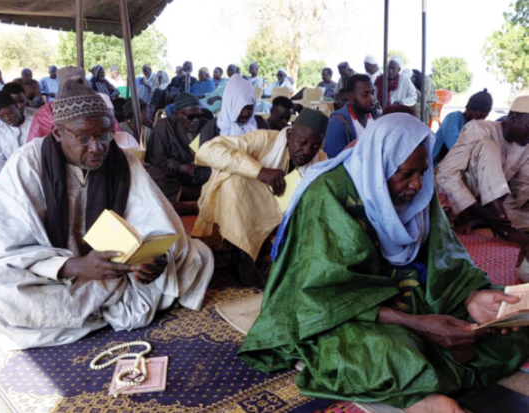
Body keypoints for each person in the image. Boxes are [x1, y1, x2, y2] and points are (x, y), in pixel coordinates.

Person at [238, 113, 529, 413]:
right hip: (345, 310)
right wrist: (418, 325)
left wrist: (472, 296)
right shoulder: (328, 194)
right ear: (379, 165)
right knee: (387, 350)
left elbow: (446, 255)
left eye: (422, 171)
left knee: (509, 323)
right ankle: (425, 400)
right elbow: (325, 295)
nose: (417, 184)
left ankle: (422, 378)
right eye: (405, 173)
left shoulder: (418, 187)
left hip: (412, 293)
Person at [0, 79, 214, 350]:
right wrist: (73, 266)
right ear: (58, 133)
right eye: (84, 138)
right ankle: (101, 312)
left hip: (114, 273)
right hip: (53, 277)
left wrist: (153, 260)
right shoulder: (27, 164)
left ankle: (81, 316)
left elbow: (155, 224)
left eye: (104, 136)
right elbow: (4, 249)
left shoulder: (123, 162)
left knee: (197, 256)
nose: (97, 147)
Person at [193, 109, 328, 286]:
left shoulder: (320, 159)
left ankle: (266, 246)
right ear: (290, 132)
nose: (307, 151)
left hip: (282, 217)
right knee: (233, 179)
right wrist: (259, 171)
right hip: (246, 210)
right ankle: (241, 253)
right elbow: (209, 149)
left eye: (314, 146)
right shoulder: (263, 139)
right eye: (302, 142)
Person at [437, 95, 529, 245]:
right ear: (514, 117)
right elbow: (446, 175)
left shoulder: (525, 146)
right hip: (463, 201)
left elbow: (522, 187)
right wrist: (481, 211)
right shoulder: (478, 129)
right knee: (488, 146)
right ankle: (501, 224)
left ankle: (488, 220)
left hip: (492, 205)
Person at [145, 93, 210, 203]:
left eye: (199, 116)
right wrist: (180, 167)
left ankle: (195, 197)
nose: (196, 120)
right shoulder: (164, 127)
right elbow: (156, 160)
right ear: (177, 113)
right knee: (151, 179)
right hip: (175, 177)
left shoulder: (207, 126)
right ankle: (199, 197)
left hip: (201, 175)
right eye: (190, 117)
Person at [28, 66, 121, 142]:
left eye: (77, 85)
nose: (74, 90)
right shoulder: (46, 112)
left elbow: (114, 135)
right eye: (70, 87)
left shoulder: (98, 105)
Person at [199, 75, 267, 145]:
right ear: (230, 105)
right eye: (241, 108)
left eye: (249, 107)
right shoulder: (212, 129)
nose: (245, 113)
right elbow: (203, 155)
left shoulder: (260, 124)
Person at [432, 89, 493, 165]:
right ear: (468, 108)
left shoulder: (476, 126)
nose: (480, 120)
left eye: (484, 117)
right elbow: (455, 148)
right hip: (436, 166)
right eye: (478, 116)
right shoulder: (453, 118)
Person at [324, 74, 377, 158]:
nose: (371, 99)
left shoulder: (377, 117)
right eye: (365, 95)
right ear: (351, 97)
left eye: (372, 93)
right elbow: (335, 162)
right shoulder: (337, 122)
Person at [0, 90, 35, 173]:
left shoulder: (35, 120)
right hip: (11, 172)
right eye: (1, 116)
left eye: (9, 113)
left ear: (16, 106)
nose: (7, 118)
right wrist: (4, 176)